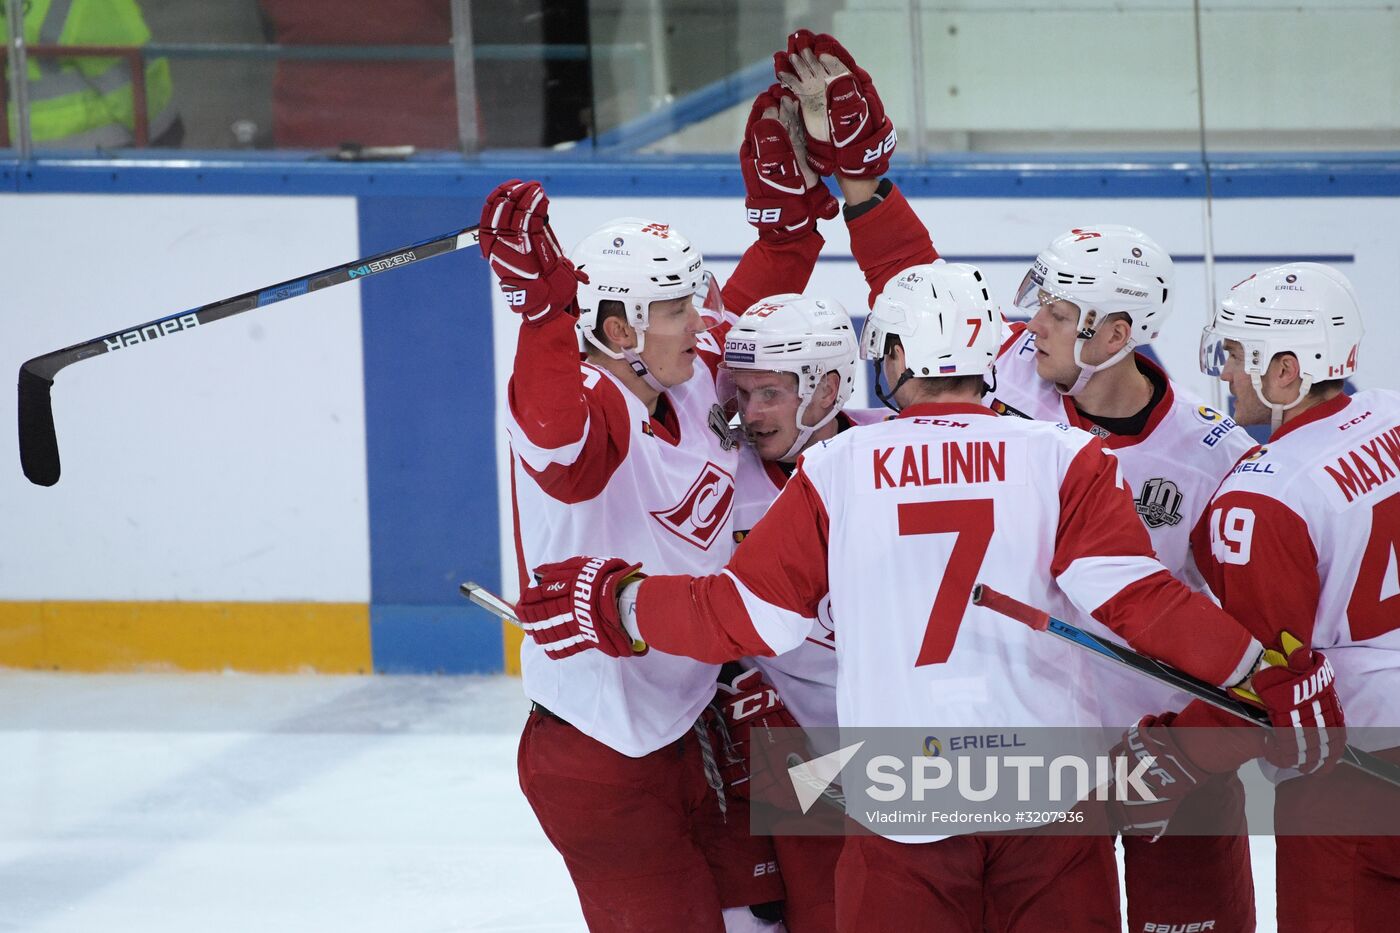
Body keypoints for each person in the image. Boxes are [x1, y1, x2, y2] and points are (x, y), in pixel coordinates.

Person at [513, 260, 1264, 932]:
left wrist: (620, 603)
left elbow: (750, 617)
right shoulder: (1065, 455)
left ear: (895, 357)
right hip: (1050, 795)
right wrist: (1263, 668)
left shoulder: (840, 465)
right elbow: (1141, 600)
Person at [778, 31, 1262, 929]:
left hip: (1163, 752)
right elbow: (910, 279)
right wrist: (861, 185)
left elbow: (1251, 615)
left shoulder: (1210, 452)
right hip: (1035, 750)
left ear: (1117, 335)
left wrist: (1208, 740)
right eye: (1039, 301)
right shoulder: (1002, 370)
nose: (1032, 323)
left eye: (1061, 311)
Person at [479, 150, 837, 929]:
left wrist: (789, 212)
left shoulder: (693, 372)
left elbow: (764, 280)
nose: (701, 317)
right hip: (603, 758)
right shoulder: (592, 402)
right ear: (619, 328)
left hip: (695, 724)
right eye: (678, 306)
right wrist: (541, 316)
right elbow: (559, 447)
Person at [1188, 262, 1398, 932]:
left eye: (1237, 355)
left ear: (1288, 370)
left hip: (1350, 778)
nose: (1226, 373)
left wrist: (1174, 748)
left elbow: (1261, 681)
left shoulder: (1260, 497)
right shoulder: (1390, 412)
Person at [2, 0, 180, 148]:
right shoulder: (91, 4)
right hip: (97, 153)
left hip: (15, 157)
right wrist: (165, 132)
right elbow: (135, 80)